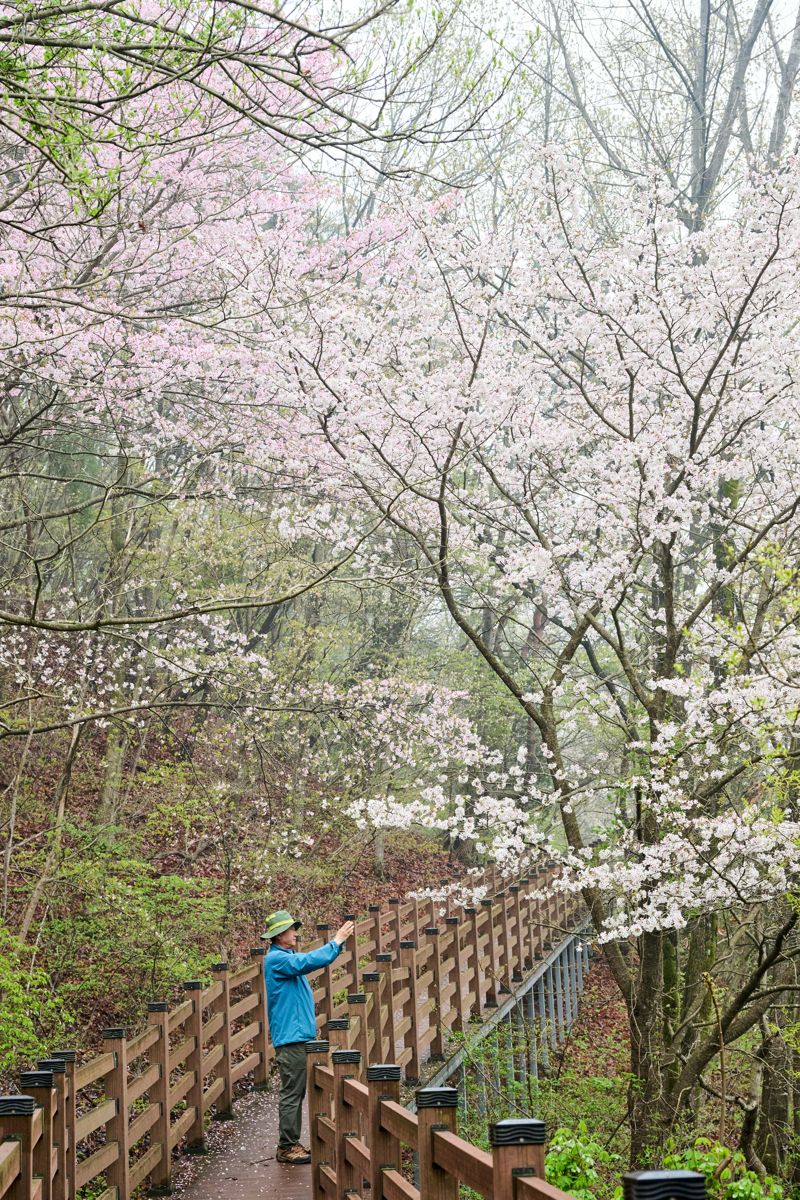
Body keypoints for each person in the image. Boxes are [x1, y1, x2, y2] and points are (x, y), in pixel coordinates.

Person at [262, 909, 355, 1165]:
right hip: (291, 1039)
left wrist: (336, 944)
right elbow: (309, 962)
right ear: (279, 935)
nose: (295, 933)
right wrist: (336, 941)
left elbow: (308, 961)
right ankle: (287, 1146)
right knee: (292, 1093)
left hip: (298, 1035)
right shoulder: (276, 960)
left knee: (300, 1091)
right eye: (291, 929)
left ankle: (293, 1142)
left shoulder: (285, 957)